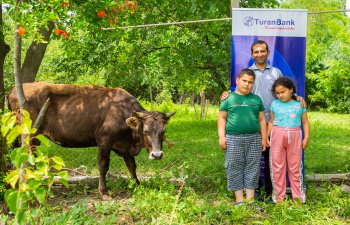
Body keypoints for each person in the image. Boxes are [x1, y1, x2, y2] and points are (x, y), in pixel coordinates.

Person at [221, 40, 306, 199]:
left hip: (274, 122)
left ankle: (270, 190)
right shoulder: (248, 73)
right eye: (256, 52)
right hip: (252, 122)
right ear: (252, 54)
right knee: (252, 159)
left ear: (268, 53)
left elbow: (283, 90)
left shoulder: (276, 72)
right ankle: (253, 189)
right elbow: (237, 92)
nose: (259, 54)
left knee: (271, 159)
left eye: (262, 51)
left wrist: (297, 97)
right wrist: (226, 93)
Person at [218, 68, 267, 205]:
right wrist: (222, 137)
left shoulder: (256, 99)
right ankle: (239, 200)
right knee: (234, 166)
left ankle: (250, 200)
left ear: (253, 84)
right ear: (237, 80)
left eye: (250, 82)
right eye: (244, 81)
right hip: (233, 138)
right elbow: (222, 118)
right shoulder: (229, 98)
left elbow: (262, 119)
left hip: (254, 138)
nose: (246, 84)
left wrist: (263, 138)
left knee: (253, 166)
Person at [267, 77, 310, 204]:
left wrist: (306, 137)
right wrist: (266, 137)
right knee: (277, 166)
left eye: (283, 92)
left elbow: (305, 122)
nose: (280, 95)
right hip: (277, 136)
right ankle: (279, 196)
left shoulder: (299, 104)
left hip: (295, 136)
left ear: (291, 89)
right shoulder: (274, 104)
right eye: (277, 93)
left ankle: (298, 196)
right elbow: (271, 122)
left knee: (295, 166)